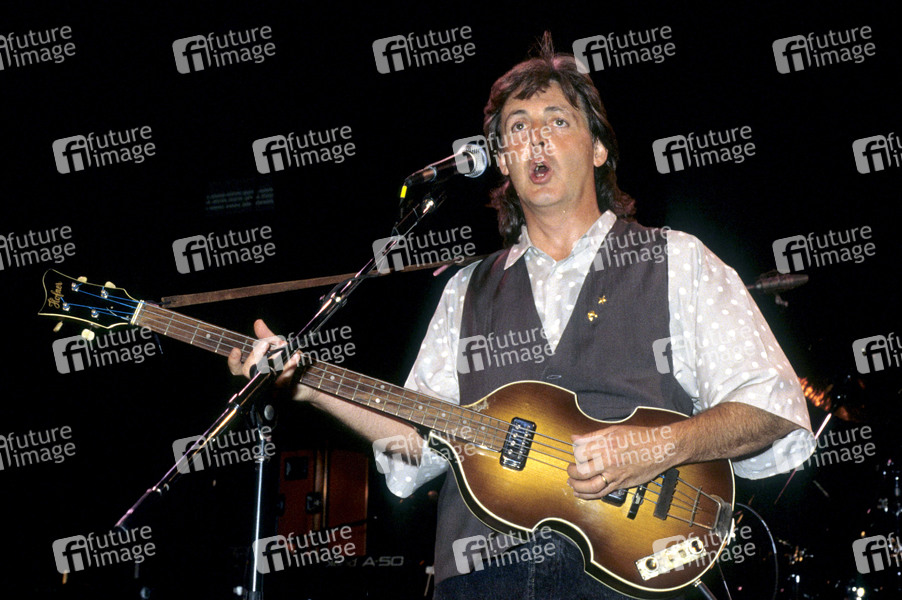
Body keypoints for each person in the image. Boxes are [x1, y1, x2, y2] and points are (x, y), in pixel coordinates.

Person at [229, 33, 814, 600]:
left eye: (557, 121)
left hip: (633, 578)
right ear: (503, 162)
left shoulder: (675, 260)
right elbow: (416, 448)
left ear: (598, 148)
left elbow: (772, 406)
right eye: (517, 127)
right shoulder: (465, 291)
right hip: (481, 579)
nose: (536, 139)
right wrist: (308, 387)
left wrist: (660, 447)